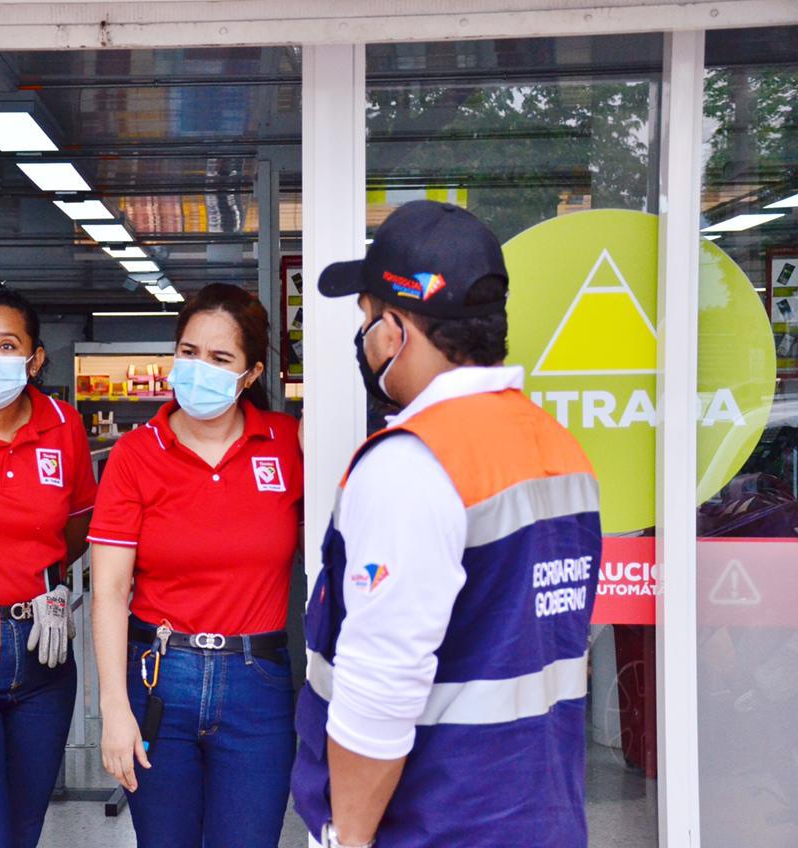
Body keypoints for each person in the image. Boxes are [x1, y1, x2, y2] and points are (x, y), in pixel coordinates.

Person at [291, 200, 603, 848]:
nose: (366, 338)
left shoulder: (412, 463)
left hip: (437, 826)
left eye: (369, 320)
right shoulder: (557, 448)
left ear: (398, 329)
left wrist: (345, 837)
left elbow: (381, 690)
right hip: (541, 820)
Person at [90, 283, 303, 848]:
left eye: (219, 358)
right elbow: (109, 589)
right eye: (188, 352)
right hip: (161, 677)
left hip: (257, 682)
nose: (198, 368)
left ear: (251, 374)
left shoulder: (286, 446)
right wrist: (114, 708)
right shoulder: (137, 454)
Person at [0, 284, 97, 848]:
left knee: (24, 831)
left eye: (7, 346)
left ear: (34, 359)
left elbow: (79, 527)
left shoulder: (64, 425)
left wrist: (49, 579)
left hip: (42, 654)